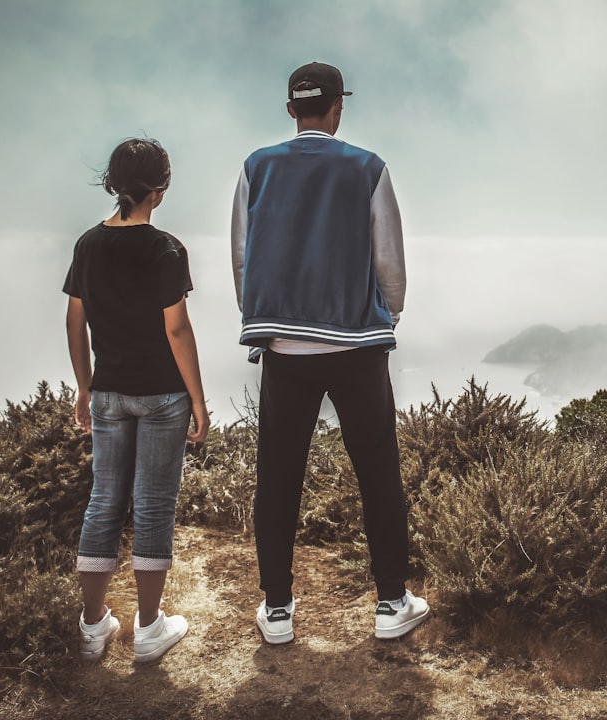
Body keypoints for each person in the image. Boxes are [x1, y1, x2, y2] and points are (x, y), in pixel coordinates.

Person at [231, 62, 429, 644]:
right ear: (339, 107)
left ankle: (277, 610)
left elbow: (244, 258)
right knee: (377, 472)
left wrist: (266, 318)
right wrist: (385, 314)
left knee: (279, 475)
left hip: (284, 347)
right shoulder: (369, 168)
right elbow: (388, 259)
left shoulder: (255, 168)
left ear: (291, 109)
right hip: (357, 346)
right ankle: (392, 602)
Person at [64, 137, 210, 663]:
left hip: (108, 392)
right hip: (162, 396)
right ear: (160, 190)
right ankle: (149, 628)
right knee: (151, 505)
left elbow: (75, 320)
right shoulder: (165, 248)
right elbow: (177, 330)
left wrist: (85, 386)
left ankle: (93, 625)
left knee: (104, 501)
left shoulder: (87, 244)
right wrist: (198, 399)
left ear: (114, 184)